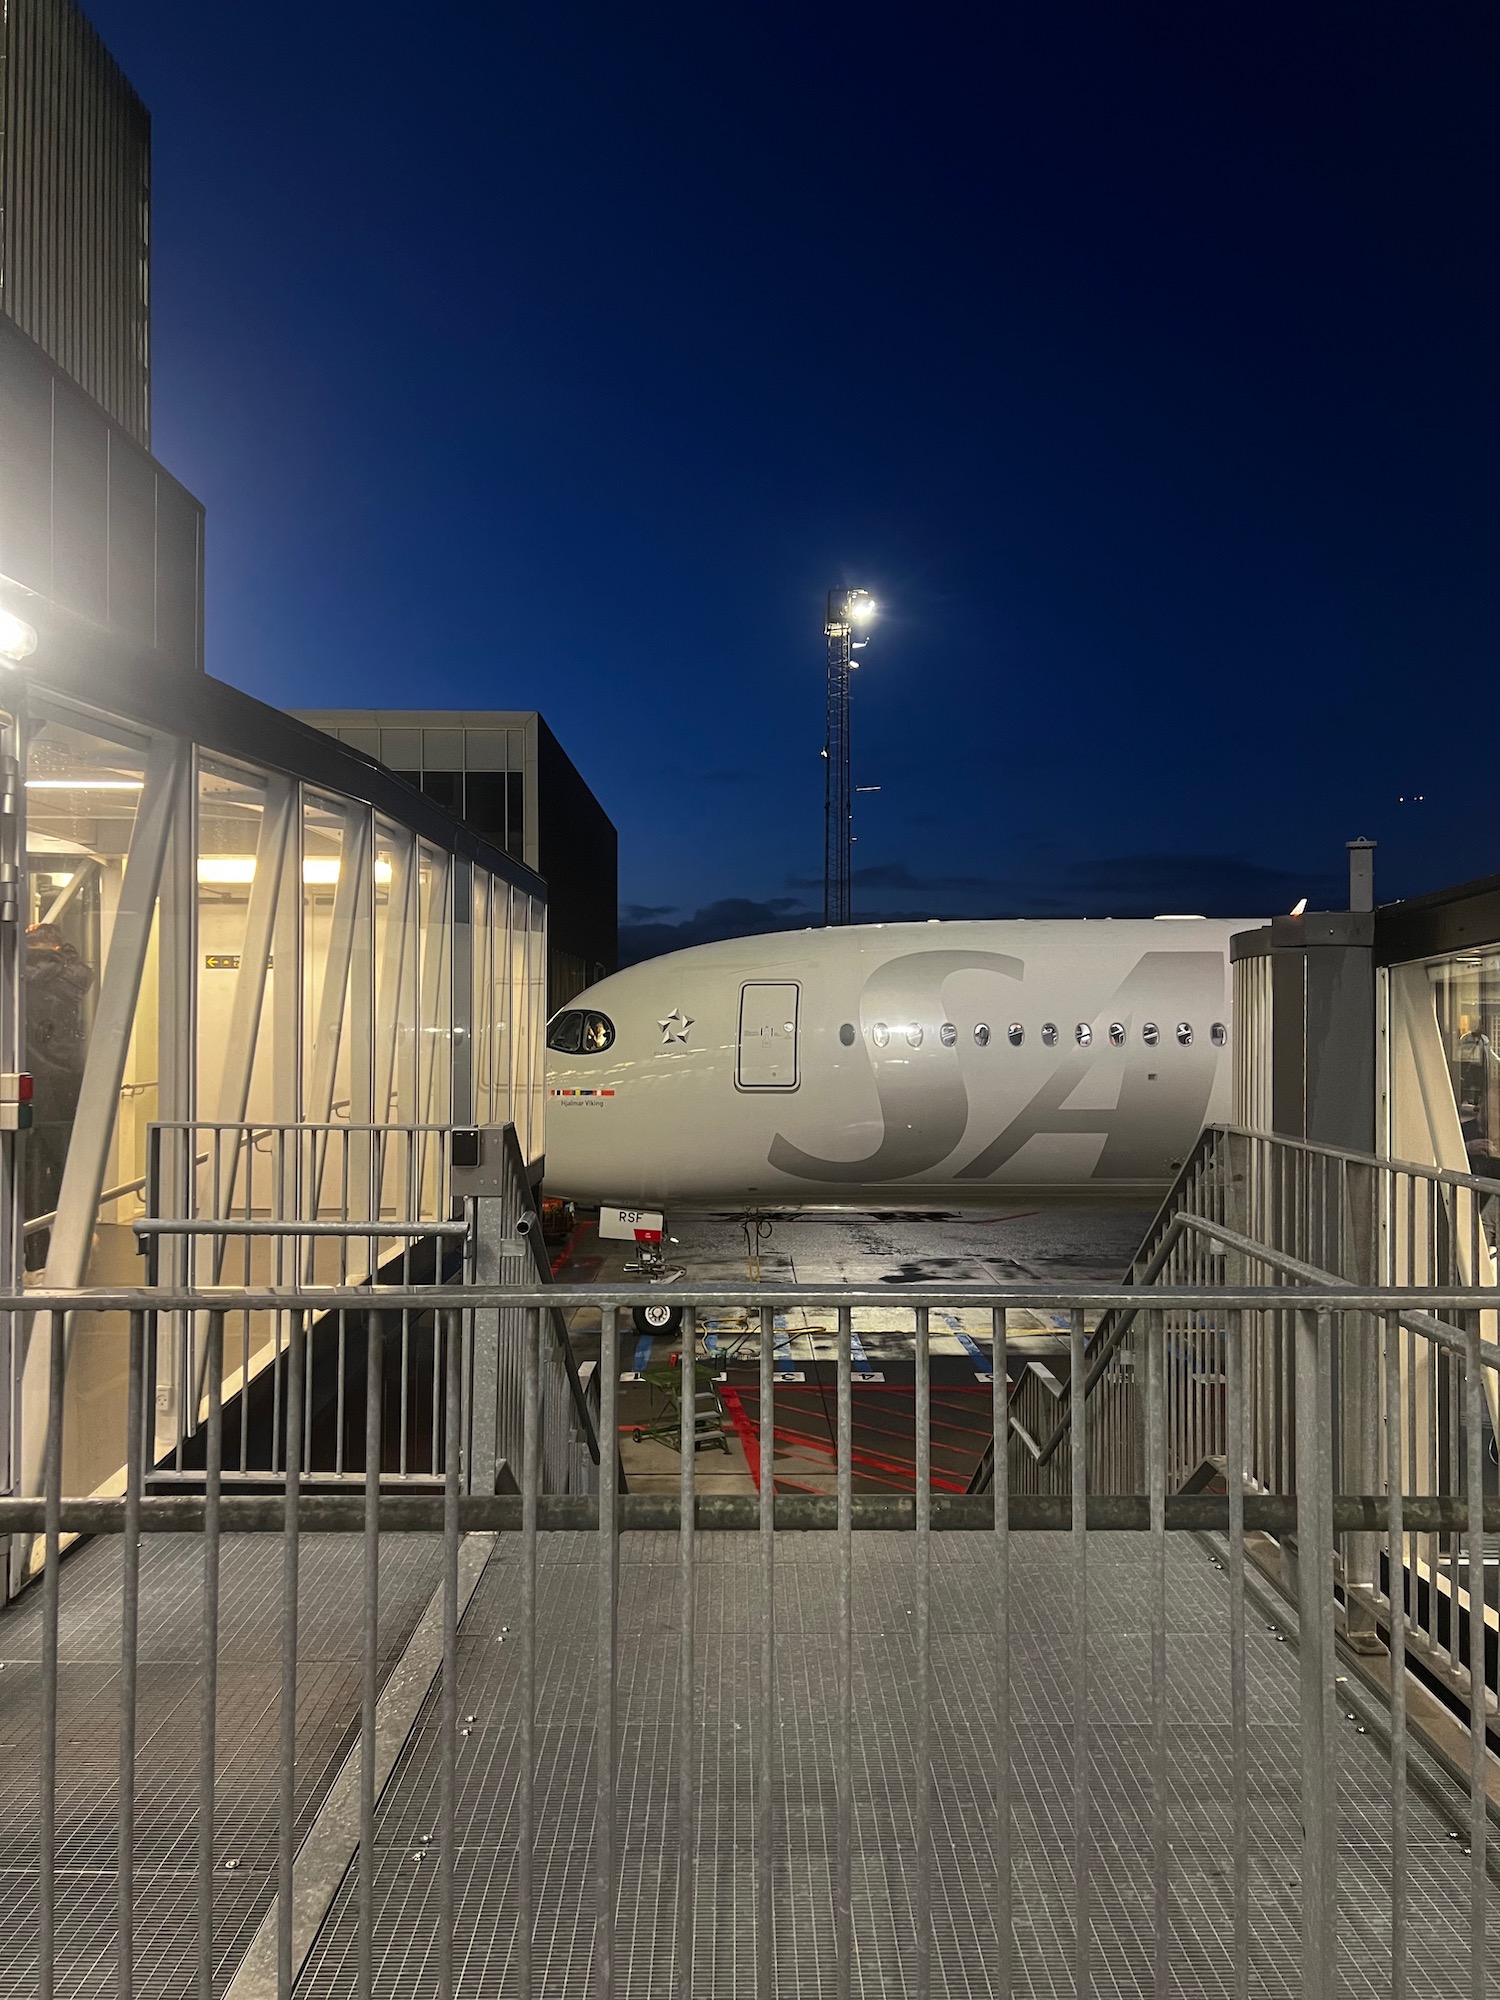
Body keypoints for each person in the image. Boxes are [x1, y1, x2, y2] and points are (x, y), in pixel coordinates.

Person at [24, 921, 94, 1270]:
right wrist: (63, 952)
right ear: (56, 946)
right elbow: (82, 973)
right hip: (66, 1089)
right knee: (70, 1171)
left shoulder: (15, 977)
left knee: (29, 1179)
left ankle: (33, 1260)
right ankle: (72, 1246)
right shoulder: (73, 978)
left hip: (26, 1090)